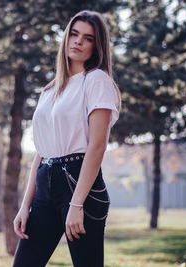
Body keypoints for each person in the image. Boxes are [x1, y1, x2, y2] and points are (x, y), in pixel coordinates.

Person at [12, 10, 121, 267]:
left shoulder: (96, 81)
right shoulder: (49, 91)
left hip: (78, 182)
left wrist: (76, 203)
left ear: (97, 46)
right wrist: (25, 205)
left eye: (88, 38)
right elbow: (41, 151)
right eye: (74, 34)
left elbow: (97, 146)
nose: (78, 42)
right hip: (45, 183)